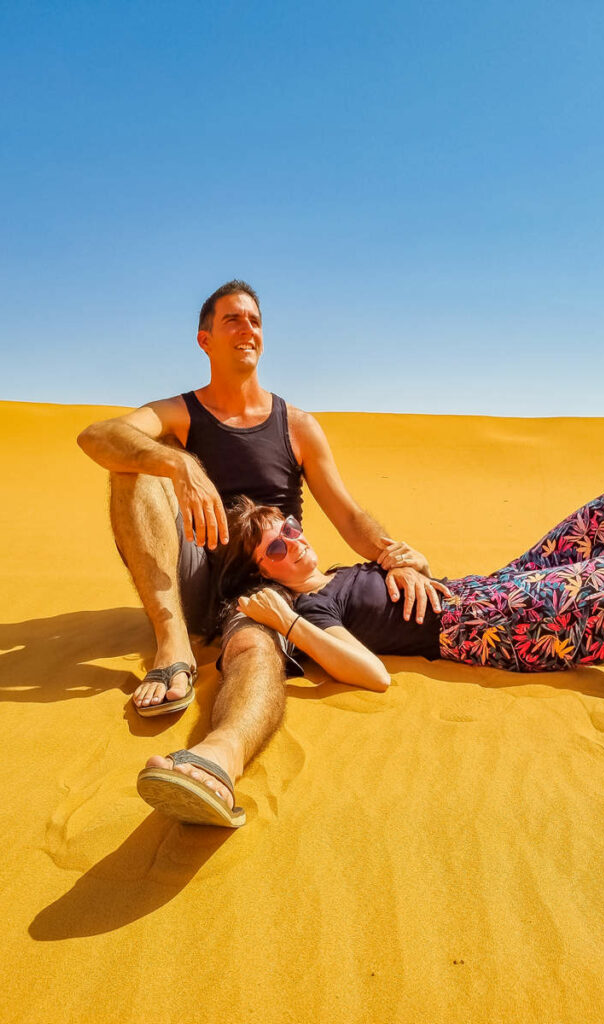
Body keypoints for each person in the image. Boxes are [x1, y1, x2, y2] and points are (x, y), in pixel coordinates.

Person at [78, 279, 437, 828]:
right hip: (193, 576)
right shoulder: (180, 413)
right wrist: (180, 464)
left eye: (255, 321)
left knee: (254, 647)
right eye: (232, 320)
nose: (247, 329)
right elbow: (95, 437)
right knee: (131, 462)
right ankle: (171, 640)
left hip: (266, 578)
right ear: (205, 339)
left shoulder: (296, 426)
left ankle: (219, 760)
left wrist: (394, 555)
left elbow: (345, 514)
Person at [230, 484, 604, 701]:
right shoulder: (315, 607)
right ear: (267, 575)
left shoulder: (340, 571)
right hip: (490, 626)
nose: (293, 542)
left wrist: (410, 563)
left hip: (488, 588)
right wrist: (286, 621)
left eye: (291, 528)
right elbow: (374, 676)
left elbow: (405, 580)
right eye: (275, 548)